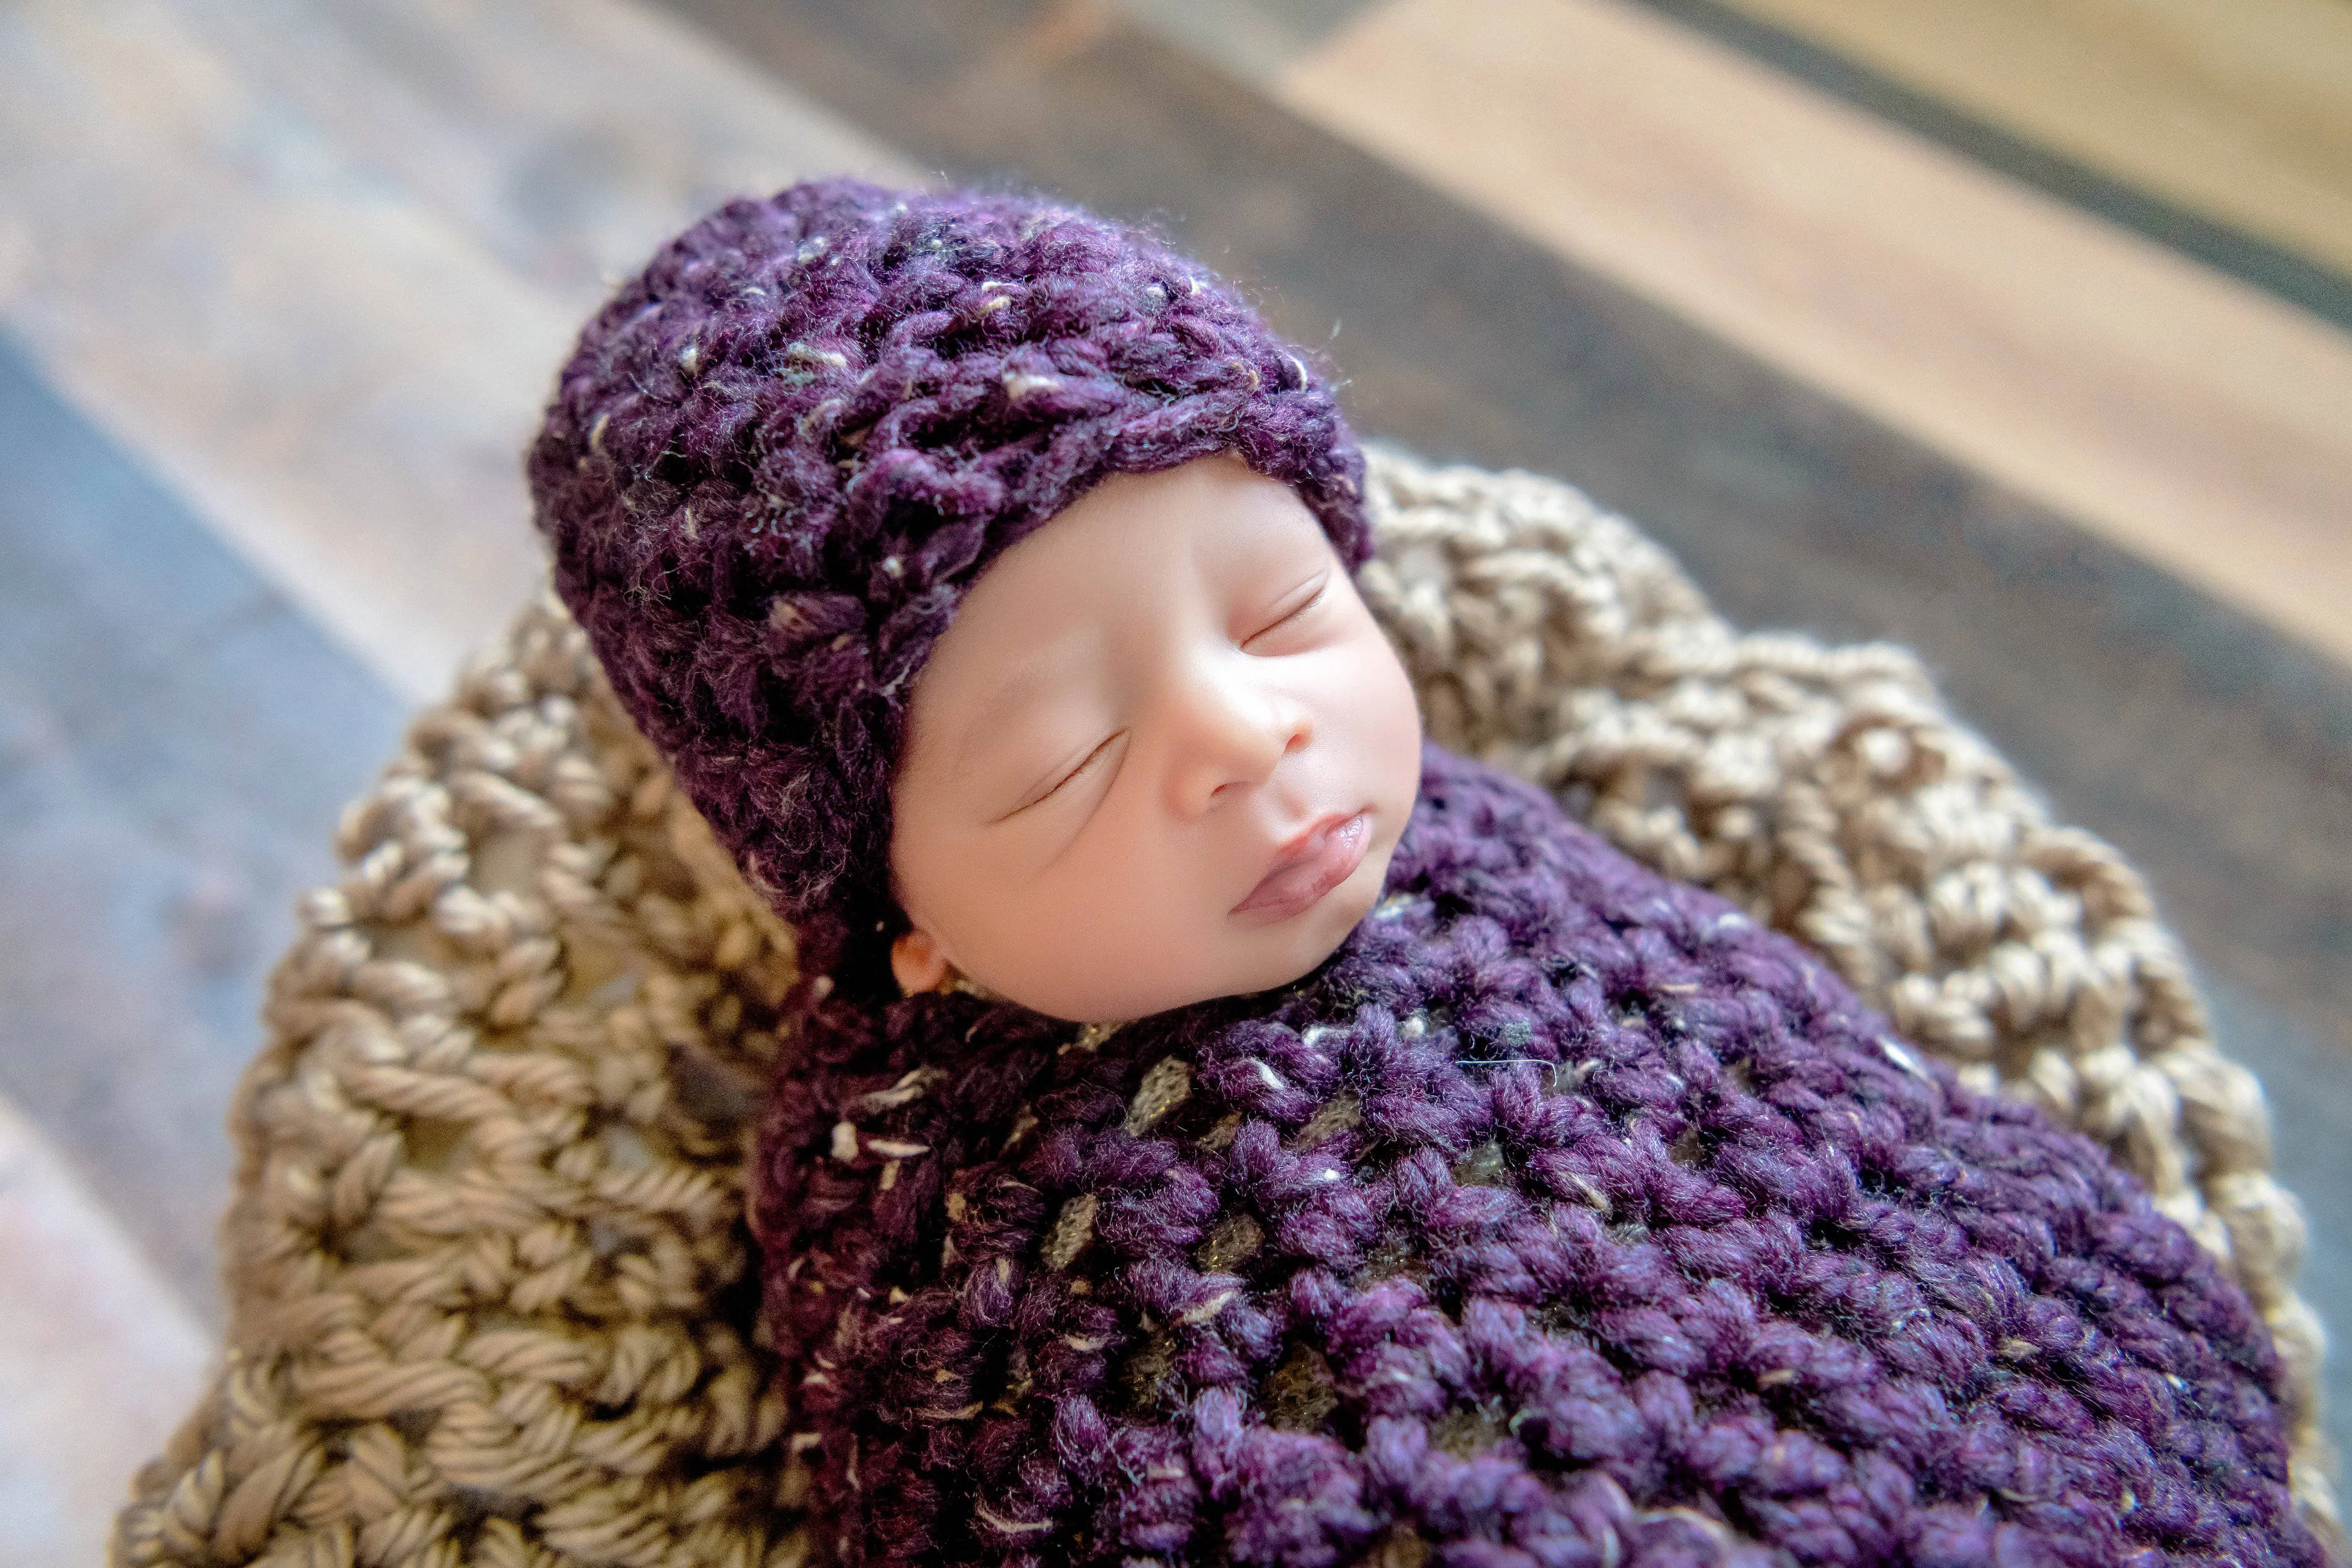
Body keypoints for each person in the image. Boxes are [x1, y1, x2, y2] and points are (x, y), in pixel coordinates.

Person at [528, 178, 2315, 1567]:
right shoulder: (926, 1222)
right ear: (885, 912)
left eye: (1284, 609)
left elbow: (1831, 1086)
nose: (1244, 733)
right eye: (1065, 763)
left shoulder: (1490, 831)